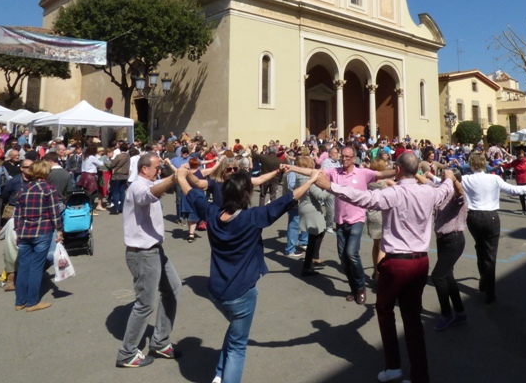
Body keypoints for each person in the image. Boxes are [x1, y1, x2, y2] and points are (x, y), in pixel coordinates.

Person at [314, 152, 454, 383]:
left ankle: (393, 366)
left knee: (385, 310)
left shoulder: (394, 193)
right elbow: (445, 190)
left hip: (397, 262)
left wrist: (331, 187)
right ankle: (420, 375)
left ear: (398, 170)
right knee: (412, 317)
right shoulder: (428, 191)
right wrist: (448, 177)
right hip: (420, 261)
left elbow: (361, 198)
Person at [180, 165, 317, 383]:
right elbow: (287, 199)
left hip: (217, 292)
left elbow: (192, 194)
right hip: (241, 293)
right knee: (238, 347)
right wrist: (311, 180)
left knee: (235, 331)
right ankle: (225, 375)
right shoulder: (252, 217)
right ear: (246, 195)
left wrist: (180, 176)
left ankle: (219, 372)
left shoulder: (213, 213)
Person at [287, 145, 395, 305]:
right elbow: (313, 173)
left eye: (347, 157)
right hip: (340, 221)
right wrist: (293, 167)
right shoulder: (334, 172)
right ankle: (353, 287)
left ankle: (360, 288)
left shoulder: (363, 173)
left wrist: (402, 169)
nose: (343, 159)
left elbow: (381, 173)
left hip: (357, 220)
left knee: (351, 253)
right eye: (342, 156)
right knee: (343, 258)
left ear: (354, 158)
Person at [116, 153, 181, 368]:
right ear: (144, 169)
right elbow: (148, 195)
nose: (158, 170)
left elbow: (161, 185)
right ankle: (127, 352)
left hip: (155, 250)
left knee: (173, 288)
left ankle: (160, 341)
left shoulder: (150, 182)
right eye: (156, 167)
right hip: (142, 253)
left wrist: (184, 174)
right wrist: (173, 178)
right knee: (144, 303)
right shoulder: (137, 186)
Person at [461, 152, 526, 304]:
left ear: (472, 164)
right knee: (490, 253)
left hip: (474, 217)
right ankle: (490, 291)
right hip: (491, 217)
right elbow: (515, 190)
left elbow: (445, 183)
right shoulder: (494, 178)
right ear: (483, 164)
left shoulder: (466, 179)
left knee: (480, 247)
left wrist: (429, 176)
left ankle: (483, 277)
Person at [14, 160, 63, 312]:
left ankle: (20, 301)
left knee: (23, 266)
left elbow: (18, 213)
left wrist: (17, 230)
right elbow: (54, 212)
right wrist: (59, 230)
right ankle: (32, 302)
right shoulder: (49, 189)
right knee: (36, 266)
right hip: (42, 230)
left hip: (24, 231)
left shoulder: (23, 190)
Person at [427, 168, 468, 332]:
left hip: (454, 240)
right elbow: (428, 183)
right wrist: (415, 172)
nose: (442, 179)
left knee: (438, 276)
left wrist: (454, 180)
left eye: (445, 177)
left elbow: (460, 194)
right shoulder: (442, 192)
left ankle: (446, 314)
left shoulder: (456, 196)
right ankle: (460, 312)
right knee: (448, 275)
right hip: (443, 239)